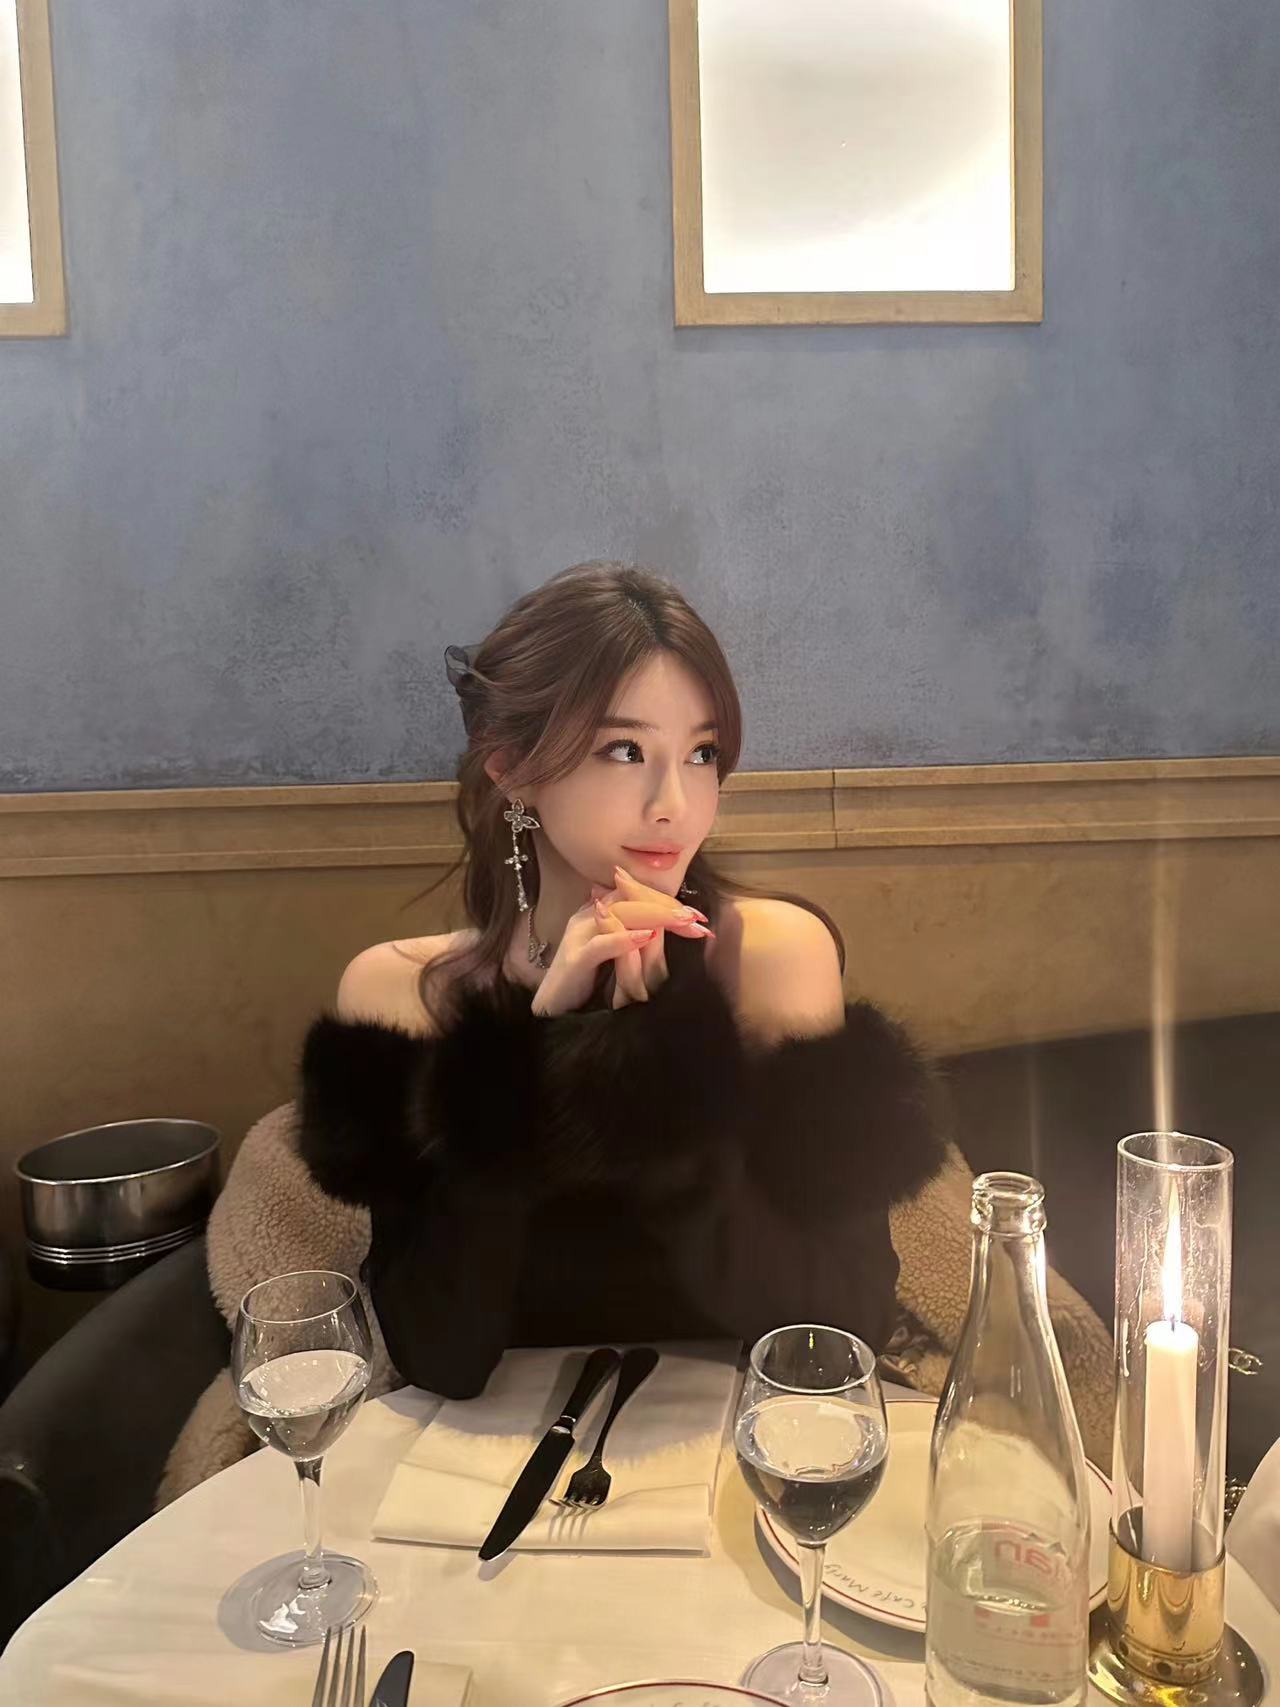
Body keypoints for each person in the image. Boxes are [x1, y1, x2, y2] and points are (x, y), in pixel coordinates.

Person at [295, 562, 946, 1398]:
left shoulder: (772, 958)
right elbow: (439, 1354)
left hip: (742, 1433)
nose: (674, 801)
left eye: (702, 752)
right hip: (493, 1456)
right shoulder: (400, 992)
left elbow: (839, 1327)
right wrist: (520, 1062)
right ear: (510, 765)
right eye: (625, 750)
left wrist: (659, 1067)